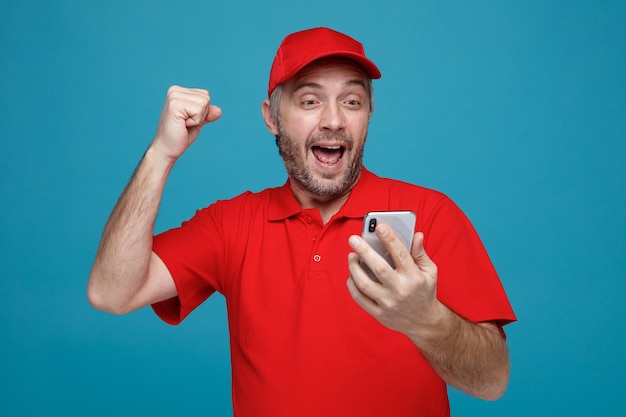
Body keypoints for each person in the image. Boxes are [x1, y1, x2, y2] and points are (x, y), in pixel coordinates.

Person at [87, 27, 516, 417]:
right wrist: (162, 154)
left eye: (352, 101)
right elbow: (111, 292)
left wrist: (424, 319)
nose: (333, 119)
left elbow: (493, 381)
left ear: (369, 116)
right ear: (272, 117)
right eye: (310, 101)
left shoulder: (431, 215)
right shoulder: (232, 224)